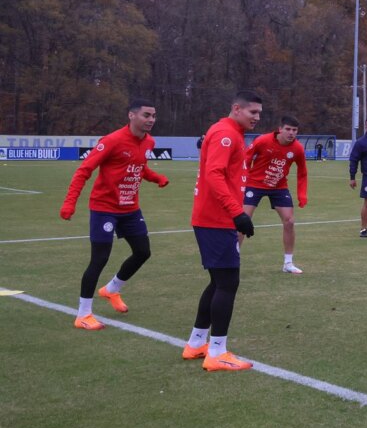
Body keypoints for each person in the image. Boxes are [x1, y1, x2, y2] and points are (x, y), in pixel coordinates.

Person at [60, 97, 170, 330]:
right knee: (99, 258)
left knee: (143, 252)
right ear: (132, 115)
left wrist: (156, 178)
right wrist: (70, 203)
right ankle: (83, 314)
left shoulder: (149, 142)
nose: (151, 120)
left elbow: (138, 167)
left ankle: (111, 289)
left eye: (153, 116)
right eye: (146, 115)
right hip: (104, 209)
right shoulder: (111, 141)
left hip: (130, 209)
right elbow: (84, 171)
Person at [182, 90, 263, 371]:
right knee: (228, 283)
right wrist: (237, 212)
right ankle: (217, 352)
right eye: (252, 112)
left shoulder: (229, 133)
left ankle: (195, 344)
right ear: (236, 108)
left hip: (215, 218)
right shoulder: (225, 134)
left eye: (259, 113)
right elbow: (213, 175)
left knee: (218, 282)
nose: (257, 118)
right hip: (215, 219)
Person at [243, 115, 310, 274]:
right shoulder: (262, 141)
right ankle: (233, 260)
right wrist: (241, 183)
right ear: (280, 129)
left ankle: (288, 263)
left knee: (290, 221)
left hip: (279, 186)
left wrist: (302, 194)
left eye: (294, 130)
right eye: (288, 129)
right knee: (243, 221)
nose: (291, 133)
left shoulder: (298, 148)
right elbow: (245, 160)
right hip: (254, 184)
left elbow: (302, 173)